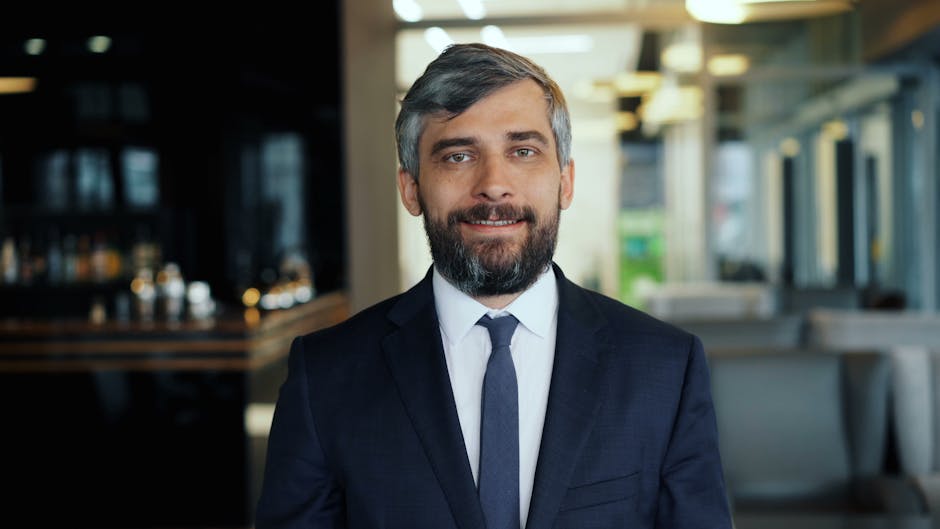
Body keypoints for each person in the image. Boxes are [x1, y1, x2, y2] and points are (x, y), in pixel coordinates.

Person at [255, 43, 732, 529]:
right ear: (411, 187)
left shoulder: (666, 369)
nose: (494, 184)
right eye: (458, 156)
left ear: (565, 181)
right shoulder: (327, 377)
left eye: (523, 151)